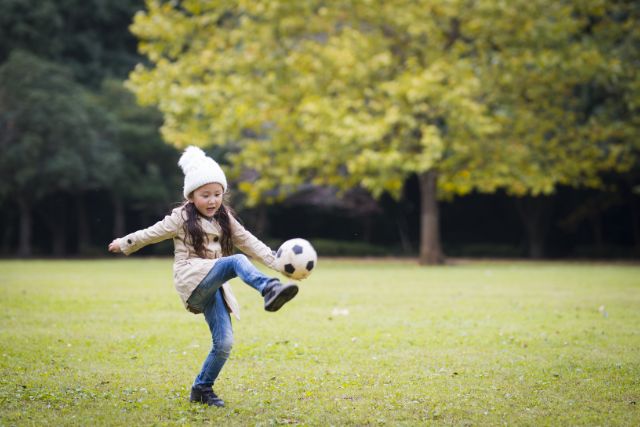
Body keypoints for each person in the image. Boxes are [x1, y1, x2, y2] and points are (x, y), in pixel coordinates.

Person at [108, 146, 298, 408]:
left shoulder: (225, 218)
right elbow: (151, 233)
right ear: (191, 196)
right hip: (192, 279)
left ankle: (201, 388)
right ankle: (269, 289)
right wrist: (125, 242)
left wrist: (278, 263)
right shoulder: (181, 218)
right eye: (205, 195)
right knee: (236, 261)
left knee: (225, 343)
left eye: (217, 194)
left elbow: (250, 242)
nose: (212, 201)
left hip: (213, 285)